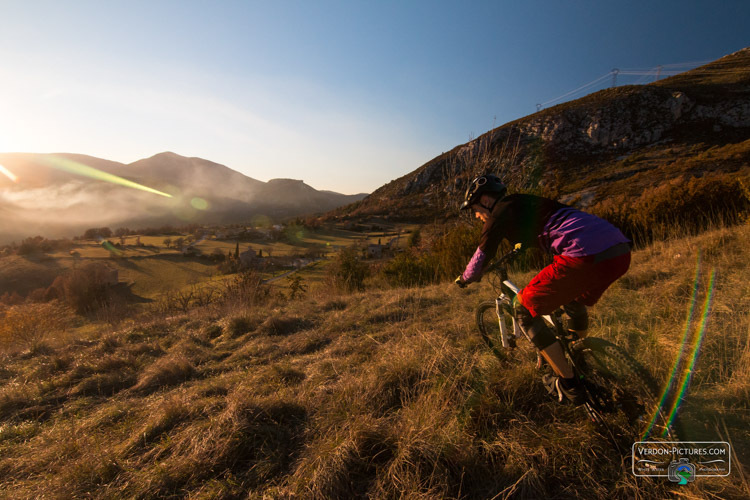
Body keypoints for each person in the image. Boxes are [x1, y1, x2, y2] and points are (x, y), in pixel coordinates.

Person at [455, 174, 631, 405]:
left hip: (584, 256)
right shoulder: (525, 201)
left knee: (523, 309)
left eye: (475, 209)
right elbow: (543, 226)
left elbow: (481, 258)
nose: (477, 216)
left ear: (486, 200)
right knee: (574, 301)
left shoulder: (497, 214)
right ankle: (580, 355)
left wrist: (465, 278)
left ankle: (568, 384)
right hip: (619, 251)